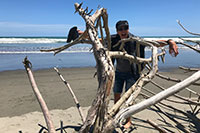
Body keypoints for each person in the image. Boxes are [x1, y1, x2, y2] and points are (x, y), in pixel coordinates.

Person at [67, 20, 179, 129]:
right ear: (117, 30)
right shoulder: (113, 39)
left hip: (133, 74)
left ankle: (128, 121)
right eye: (120, 29)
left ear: (128, 29)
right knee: (117, 96)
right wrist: (81, 34)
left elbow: (154, 43)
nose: (123, 31)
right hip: (119, 73)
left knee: (128, 98)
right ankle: (116, 116)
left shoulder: (135, 39)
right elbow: (98, 40)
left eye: (125, 28)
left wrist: (170, 41)